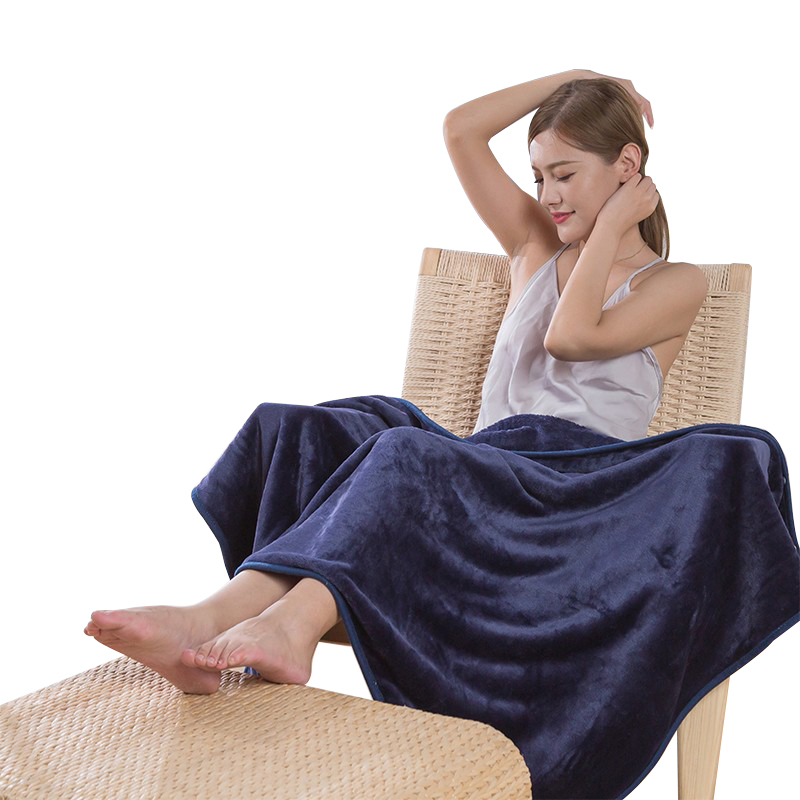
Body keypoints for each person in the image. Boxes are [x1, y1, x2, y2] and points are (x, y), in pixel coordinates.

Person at [83, 69, 709, 695]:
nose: (548, 195)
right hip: (485, 467)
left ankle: (291, 630)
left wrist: (610, 227)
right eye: (539, 176)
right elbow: (461, 130)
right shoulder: (535, 247)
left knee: (406, 451)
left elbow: (568, 336)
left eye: (564, 174)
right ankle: (206, 619)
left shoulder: (675, 284)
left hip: (564, 499)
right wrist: (582, 77)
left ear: (629, 165)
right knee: (305, 430)